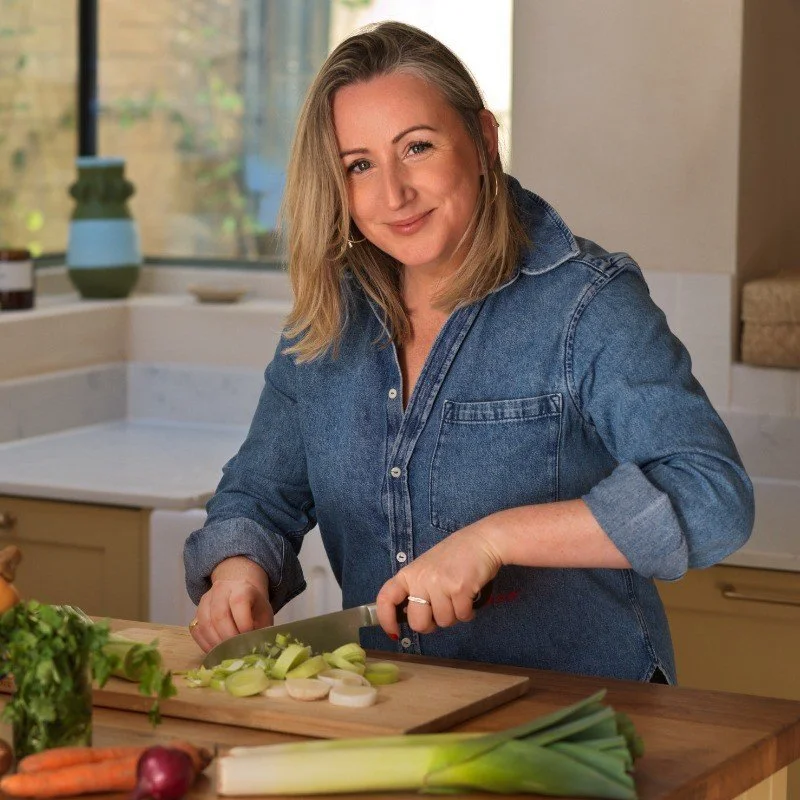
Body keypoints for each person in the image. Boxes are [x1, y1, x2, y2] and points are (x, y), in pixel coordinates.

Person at [184, 21, 754, 683]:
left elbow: (714, 497)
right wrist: (237, 575)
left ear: (483, 141)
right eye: (359, 165)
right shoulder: (329, 317)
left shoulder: (586, 303)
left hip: (581, 721)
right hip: (391, 713)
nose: (392, 194)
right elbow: (258, 497)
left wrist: (496, 538)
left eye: (417, 147)